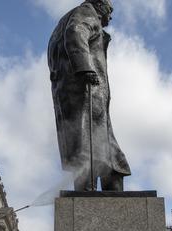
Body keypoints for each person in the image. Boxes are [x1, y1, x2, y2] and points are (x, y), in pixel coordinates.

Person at [48, 0, 131, 191]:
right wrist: (85, 68)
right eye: (110, 11)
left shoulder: (65, 20)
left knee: (91, 146)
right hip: (86, 91)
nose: (110, 16)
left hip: (73, 93)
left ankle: (96, 188)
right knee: (90, 144)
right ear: (100, 5)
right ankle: (95, 190)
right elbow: (75, 32)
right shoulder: (86, 13)